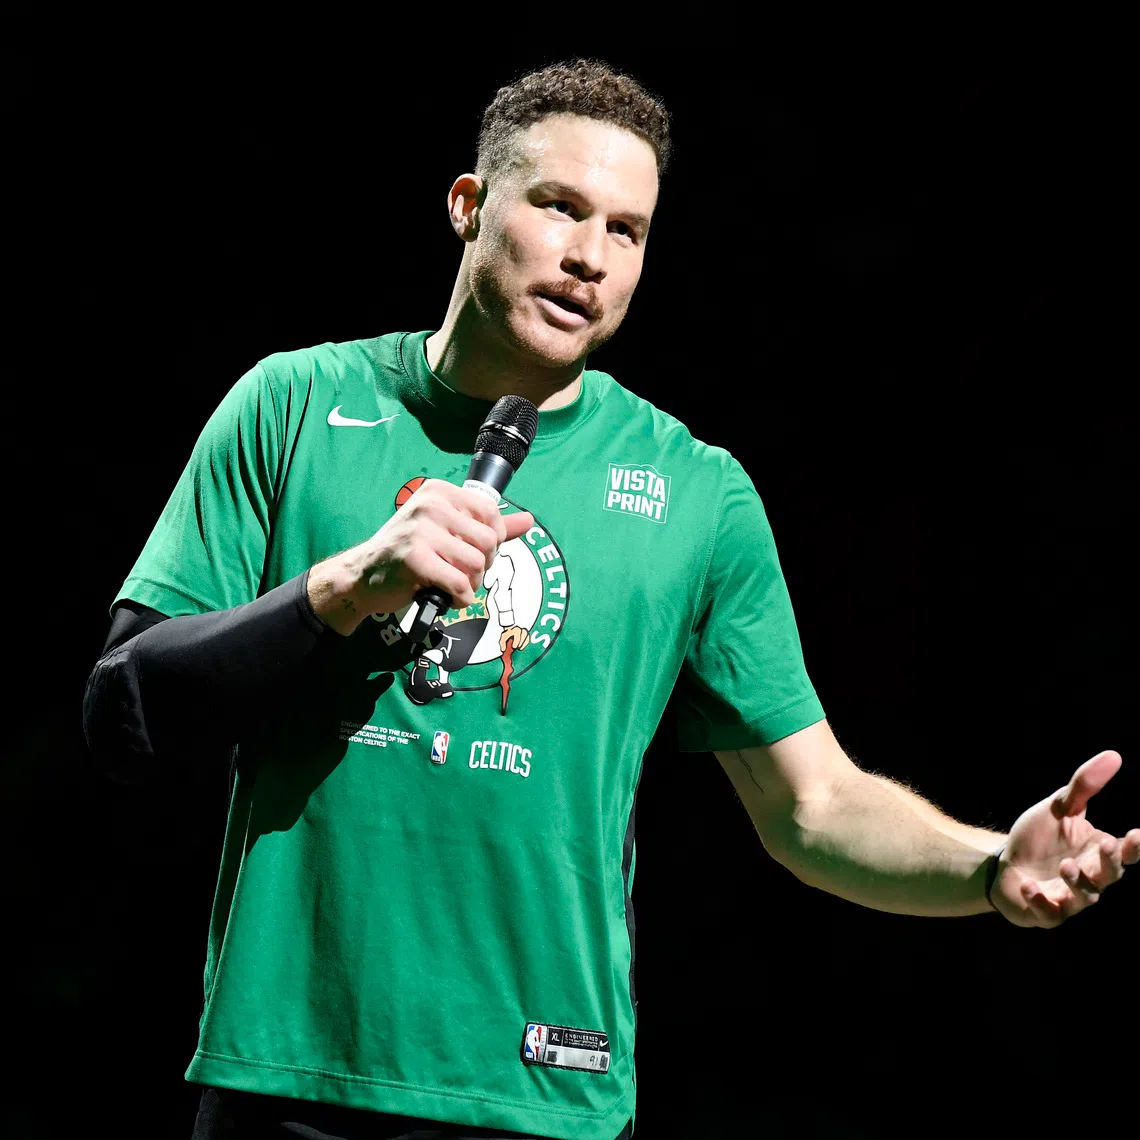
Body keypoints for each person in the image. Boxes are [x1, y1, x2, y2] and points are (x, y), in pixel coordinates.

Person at [83, 60, 1138, 1140]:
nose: (590, 256)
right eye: (559, 208)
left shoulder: (697, 493)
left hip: (548, 1089)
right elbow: (126, 707)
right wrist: (343, 585)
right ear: (469, 206)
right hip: (290, 1078)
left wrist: (988, 866)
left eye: (627, 231)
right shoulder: (294, 406)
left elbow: (814, 808)